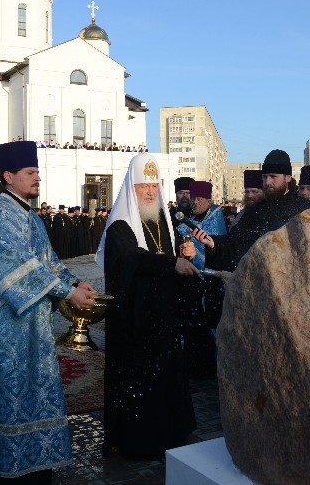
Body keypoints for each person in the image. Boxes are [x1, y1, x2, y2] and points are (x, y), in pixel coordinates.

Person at [0, 141, 98, 483]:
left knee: (28, 389)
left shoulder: (29, 214)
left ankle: (31, 457)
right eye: (30, 173)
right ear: (9, 176)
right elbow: (16, 266)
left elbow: (48, 262)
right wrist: (66, 292)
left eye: (37, 172)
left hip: (26, 319)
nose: (37, 178)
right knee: (3, 391)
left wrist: (74, 283)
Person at [96, 153, 198, 457]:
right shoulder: (119, 225)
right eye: (143, 186)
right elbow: (131, 261)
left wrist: (185, 253)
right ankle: (139, 440)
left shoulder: (161, 220)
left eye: (154, 185)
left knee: (165, 373)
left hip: (162, 314)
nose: (150, 192)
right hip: (135, 320)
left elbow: (166, 256)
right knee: (138, 378)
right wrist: (171, 264)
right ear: (132, 188)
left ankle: (169, 432)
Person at [197, 150, 310, 272]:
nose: (268, 182)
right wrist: (213, 243)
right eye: (265, 177)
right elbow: (234, 242)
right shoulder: (255, 209)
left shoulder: (305, 209)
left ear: (288, 178)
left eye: (273, 177)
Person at [176, 181, 226, 377]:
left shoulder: (216, 219)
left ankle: (208, 367)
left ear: (208, 199)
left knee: (208, 324)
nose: (195, 202)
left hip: (210, 281)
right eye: (193, 198)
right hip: (189, 279)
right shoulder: (186, 220)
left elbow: (217, 248)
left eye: (199, 199)